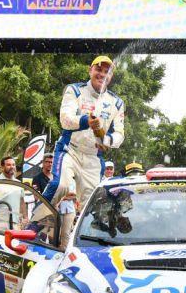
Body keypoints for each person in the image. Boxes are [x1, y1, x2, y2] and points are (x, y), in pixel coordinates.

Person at [43, 55, 125, 208]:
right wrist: (86, 121)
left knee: (92, 205)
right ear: (90, 70)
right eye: (99, 70)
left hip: (93, 157)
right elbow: (65, 119)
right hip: (70, 150)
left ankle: (82, 231)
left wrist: (106, 140)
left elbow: (120, 135)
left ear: (111, 76)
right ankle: (34, 225)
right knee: (60, 186)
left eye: (107, 72)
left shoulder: (117, 103)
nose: (102, 75)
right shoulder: (74, 90)